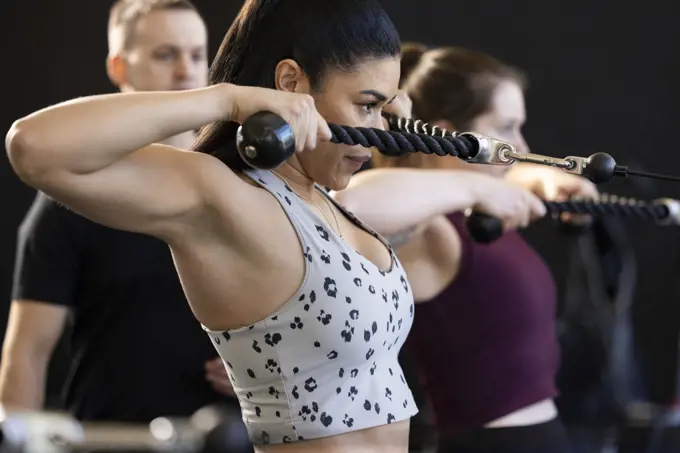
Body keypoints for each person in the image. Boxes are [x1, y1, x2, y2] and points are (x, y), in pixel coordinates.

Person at [4, 1, 548, 451]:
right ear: (290, 82)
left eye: (382, 106)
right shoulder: (229, 197)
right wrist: (228, 98)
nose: (374, 128)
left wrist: (519, 180)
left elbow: (418, 191)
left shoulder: (332, 203)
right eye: (364, 105)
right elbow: (34, 146)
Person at [331, 44, 599, 453]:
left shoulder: (475, 210)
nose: (521, 143)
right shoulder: (425, 229)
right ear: (452, 136)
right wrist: (485, 184)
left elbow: (492, 180)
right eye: (507, 128)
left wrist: (542, 180)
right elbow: (349, 204)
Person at [0, 0, 241, 425]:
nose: (185, 70)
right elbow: (29, 350)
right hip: (111, 438)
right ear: (120, 68)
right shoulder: (70, 199)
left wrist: (267, 367)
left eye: (197, 55)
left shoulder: (246, 184)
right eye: (165, 54)